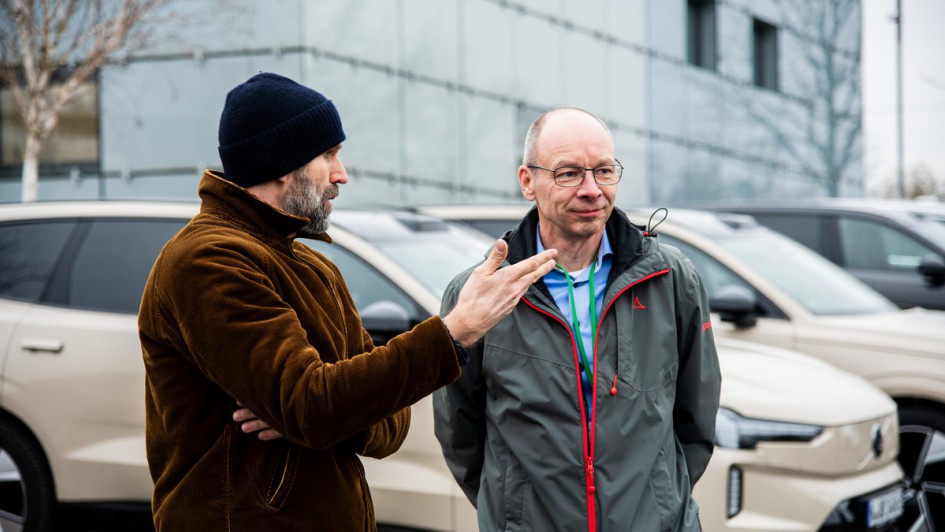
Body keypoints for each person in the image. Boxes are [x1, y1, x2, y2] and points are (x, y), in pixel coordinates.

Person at [138, 72, 557, 531]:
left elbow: (388, 427)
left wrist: (328, 411)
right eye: (328, 155)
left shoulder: (315, 267)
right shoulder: (208, 260)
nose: (342, 174)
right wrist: (452, 332)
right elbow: (314, 407)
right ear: (281, 162)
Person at [433, 108, 721, 531]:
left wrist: (658, 505)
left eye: (603, 171)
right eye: (568, 173)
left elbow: (696, 418)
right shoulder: (479, 293)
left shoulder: (671, 278)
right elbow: (460, 434)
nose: (592, 190)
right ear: (527, 182)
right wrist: (515, 513)